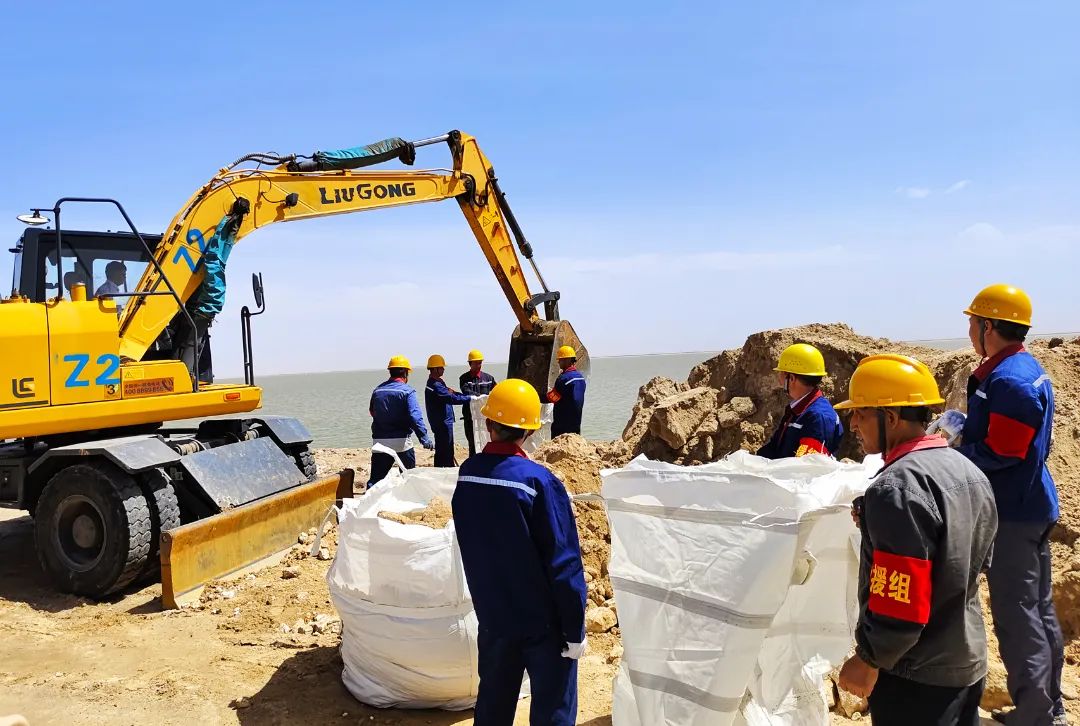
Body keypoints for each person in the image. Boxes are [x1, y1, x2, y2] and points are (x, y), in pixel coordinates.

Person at [834, 354, 997, 726]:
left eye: (860, 413)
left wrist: (869, 659)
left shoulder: (897, 487)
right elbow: (972, 559)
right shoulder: (967, 470)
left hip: (916, 675)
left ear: (890, 417)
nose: (853, 424)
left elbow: (900, 602)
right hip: (965, 657)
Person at [941, 284, 1064, 726]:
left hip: (1014, 511)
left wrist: (955, 453)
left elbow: (1006, 449)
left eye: (973, 322)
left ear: (989, 326)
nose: (970, 330)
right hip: (1030, 502)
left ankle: (1035, 714)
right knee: (1038, 609)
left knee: (1018, 615)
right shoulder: (1018, 369)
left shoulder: (1010, 379)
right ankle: (1048, 706)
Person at [452, 379, 587, 725]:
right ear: (530, 431)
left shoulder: (467, 475)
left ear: (488, 424)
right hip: (543, 624)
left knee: (493, 707)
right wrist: (574, 630)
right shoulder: (538, 482)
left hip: (494, 617)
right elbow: (564, 563)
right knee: (553, 710)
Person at [757, 343, 844, 459]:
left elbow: (807, 465)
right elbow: (774, 449)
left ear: (792, 378)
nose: (779, 379)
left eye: (781, 373)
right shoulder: (798, 410)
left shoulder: (818, 417)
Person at [368, 355, 433, 488]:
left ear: (390, 371)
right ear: (405, 373)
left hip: (380, 441)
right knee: (408, 477)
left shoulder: (377, 390)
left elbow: (372, 412)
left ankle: (369, 498)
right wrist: (424, 438)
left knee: (376, 480)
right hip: (401, 441)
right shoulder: (408, 391)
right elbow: (415, 417)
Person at [424, 354, 471, 467]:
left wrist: (463, 396)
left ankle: (442, 468)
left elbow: (451, 393)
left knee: (443, 449)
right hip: (442, 423)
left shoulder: (437, 382)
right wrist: (470, 398)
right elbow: (451, 398)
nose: (443, 369)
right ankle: (445, 469)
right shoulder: (435, 385)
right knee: (445, 451)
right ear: (435, 369)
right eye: (441, 367)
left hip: (441, 421)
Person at [459, 349, 497, 456]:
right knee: (472, 443)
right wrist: (482, 397)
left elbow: (497, 391)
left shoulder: (489, 378)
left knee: (487, 442)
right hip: (470, 417)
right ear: (470, 363)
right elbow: (466, 392)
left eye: (480, 362)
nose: (479, 365)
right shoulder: (464, 379)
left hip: (486, 418)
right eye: (476, 363)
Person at [547, 346, 586, 437]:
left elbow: (553, 398)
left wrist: (539, 397)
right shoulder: (581, 378)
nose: (558, 362)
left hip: (562, 426)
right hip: (576, 424)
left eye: (560, 360)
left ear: (567, 360)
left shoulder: (564, 379)